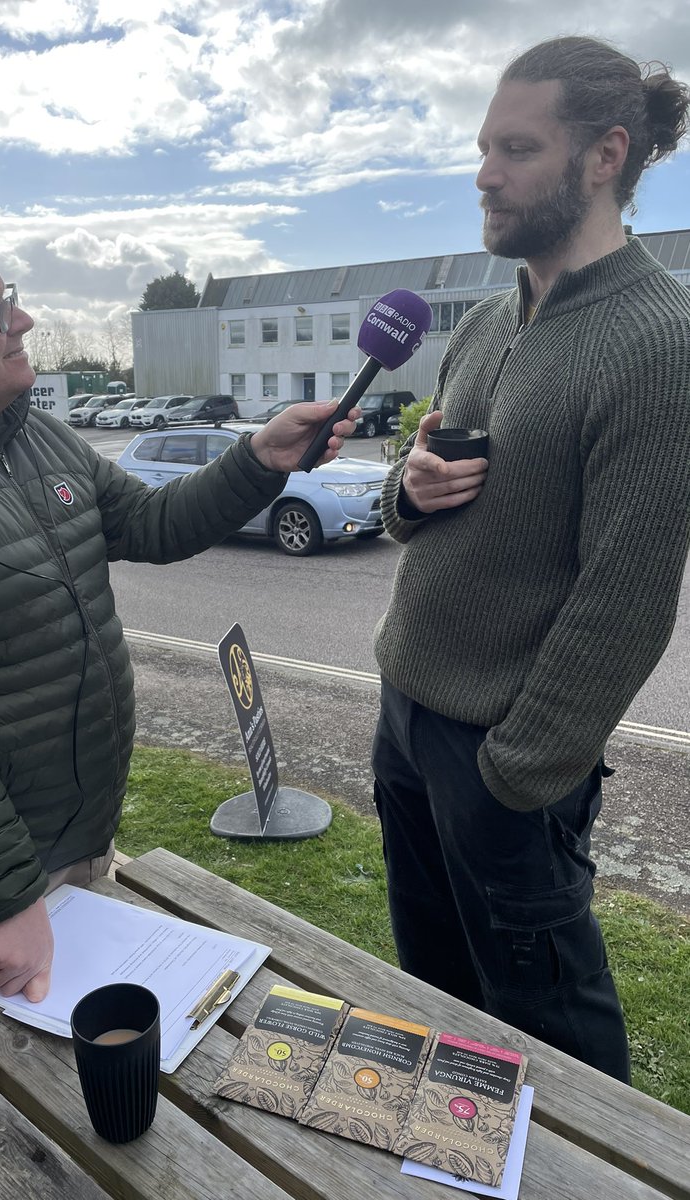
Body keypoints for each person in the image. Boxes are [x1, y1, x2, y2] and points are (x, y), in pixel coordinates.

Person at [0, 213, 358, 1001]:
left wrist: (258, 457)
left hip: (78, 832)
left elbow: (150, 524)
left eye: (9, 297)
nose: (22, 321)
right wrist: (7, 895)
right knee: (6, 1103)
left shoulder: (36, 437)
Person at [372, 35, 690, 1082]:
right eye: (482, 147)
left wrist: (518, 775)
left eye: (515, 148)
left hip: (503, 762)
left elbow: (626, 599)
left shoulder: (660, 340)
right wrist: (407, 492)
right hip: (406, 726)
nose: (483, 174)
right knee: (438, 1010)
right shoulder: (482, 322)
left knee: (553, 1038)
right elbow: (412, 495)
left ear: (605, 156)